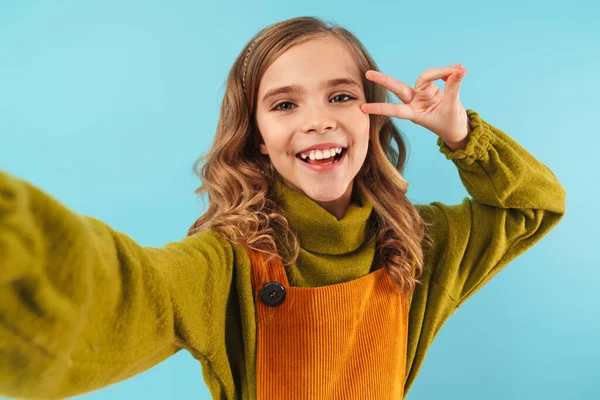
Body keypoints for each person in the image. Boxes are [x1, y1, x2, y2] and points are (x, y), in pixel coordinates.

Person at [0, 15, 566, 400]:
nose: (318, 119)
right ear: (257, 140)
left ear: (374, 116)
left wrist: (463, 137)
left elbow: (535, 207)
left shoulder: (421, 247)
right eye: (285, 103)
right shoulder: (225, 264)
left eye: (341, 96)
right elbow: (126, 291)